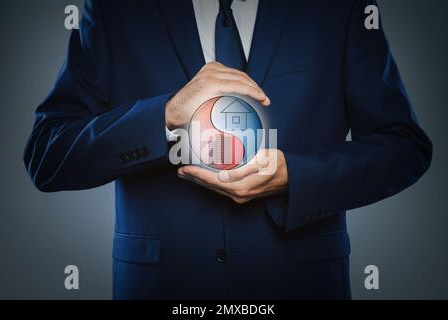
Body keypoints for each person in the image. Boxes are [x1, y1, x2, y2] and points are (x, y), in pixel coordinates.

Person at [24, 0, 432, 299]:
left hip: (302, 284)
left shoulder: (340, 8)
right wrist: (163, 116)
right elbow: (47, 155)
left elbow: (404, 146)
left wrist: (296, 177)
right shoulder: (115, 11)